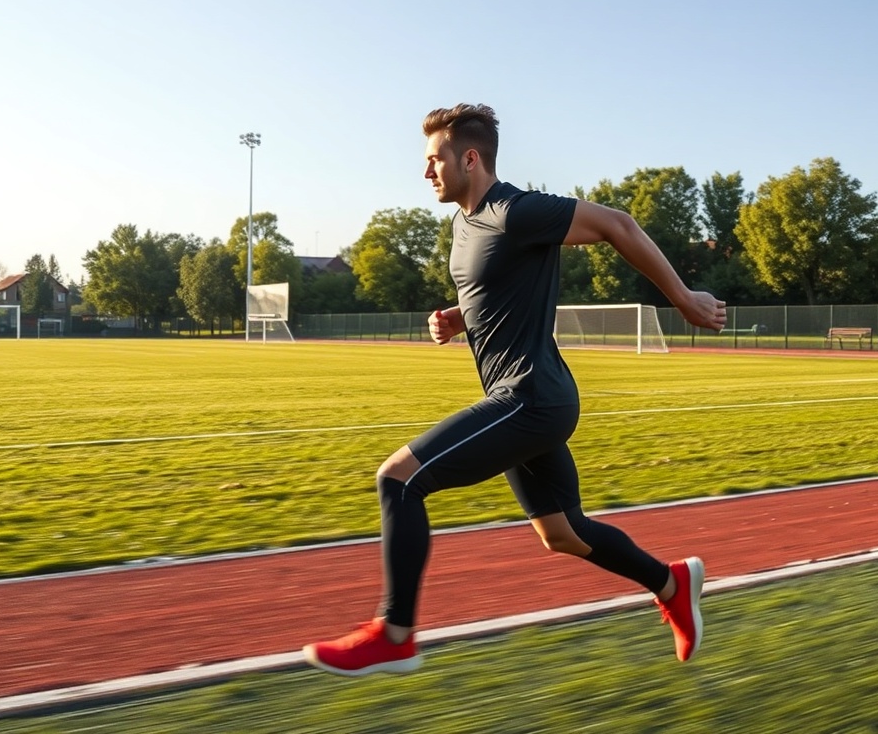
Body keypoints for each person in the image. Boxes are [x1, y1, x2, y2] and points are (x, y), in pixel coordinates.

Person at [302, 103, 727, 677]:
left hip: (531, 398)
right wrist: (459, 316)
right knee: (563, 532)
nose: (426, 173)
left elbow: (618, 224)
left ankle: (395, 635)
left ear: (470, 158)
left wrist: (684, 299)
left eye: (434, 160)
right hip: (527, 397)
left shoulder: (516, 211)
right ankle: (671, 583)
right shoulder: (464, 223)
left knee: (398, 479)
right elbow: (501, 289)